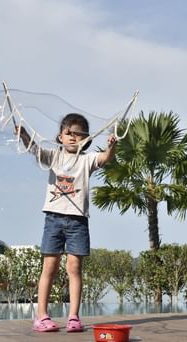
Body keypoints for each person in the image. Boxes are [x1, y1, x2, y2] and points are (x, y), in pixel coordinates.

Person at [16, 113, 117, 333]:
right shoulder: (53, 156)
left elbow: (105, 159)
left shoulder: (87, 159)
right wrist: (24, 136)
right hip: (53, 218)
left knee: (75, 268)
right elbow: (34, 149)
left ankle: (73, 317)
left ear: (86, 139)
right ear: (60, 137)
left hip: (78, 221)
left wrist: (111, 147)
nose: (72, 137)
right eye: (68, 133)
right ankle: (41, 316)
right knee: (49, 268)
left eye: (78, 134)